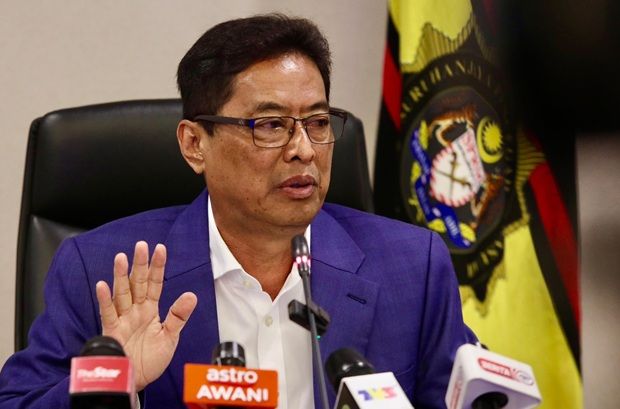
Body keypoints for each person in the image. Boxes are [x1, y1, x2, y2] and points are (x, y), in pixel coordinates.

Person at [0, 14, 475, 409]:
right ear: (194, 144)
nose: (304, 149)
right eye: (270, 125)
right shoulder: (103, 270)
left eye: (317, 122)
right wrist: (113, 386)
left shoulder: (412, 267)